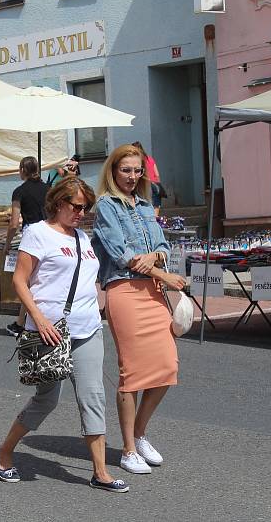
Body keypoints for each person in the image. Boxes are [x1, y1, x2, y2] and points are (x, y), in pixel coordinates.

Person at [0, 177, 129, 493]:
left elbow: (88, 279)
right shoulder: (37, 233)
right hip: (48, 333)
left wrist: (100, 302)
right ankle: (5, 451)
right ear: (58, 202)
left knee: (93, 396)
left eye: (86, 208)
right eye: (76, 206)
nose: (82, 213)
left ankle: (100, 472)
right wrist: (38, 320)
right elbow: (20, 281)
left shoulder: (83, 237)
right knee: (46, 400)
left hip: (87, 330)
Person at [92, 144, 187, 475]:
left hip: (151, 291)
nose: (132, 176)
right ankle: (128, 450)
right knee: (131, 374)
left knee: (166, 366)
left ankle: (140, 433)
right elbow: (119, 253)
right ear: (113, 171)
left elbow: (162, 244)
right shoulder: (106, 205)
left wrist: (153, 258)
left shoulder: (146, 206)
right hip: (125, 290)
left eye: (136, 171)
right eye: (125, 170)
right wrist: (161, 270)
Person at [3, 156, 49, 337]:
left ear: (23, 169)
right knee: (42, 278)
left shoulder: (19, 192)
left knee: (26, 281)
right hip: (49, 232)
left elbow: (14, 223)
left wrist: (7, 244)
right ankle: (21, 322)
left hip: (31, 235)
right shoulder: (49, 189)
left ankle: (23, 324)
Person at [132, 141, 163, 213]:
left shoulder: (138, 161)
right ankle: (155, 221)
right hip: (155, 183)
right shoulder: (150, 159)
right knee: (156, 205)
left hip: (145, 184)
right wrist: (158, 184)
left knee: (145, 205)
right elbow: (157, 173)